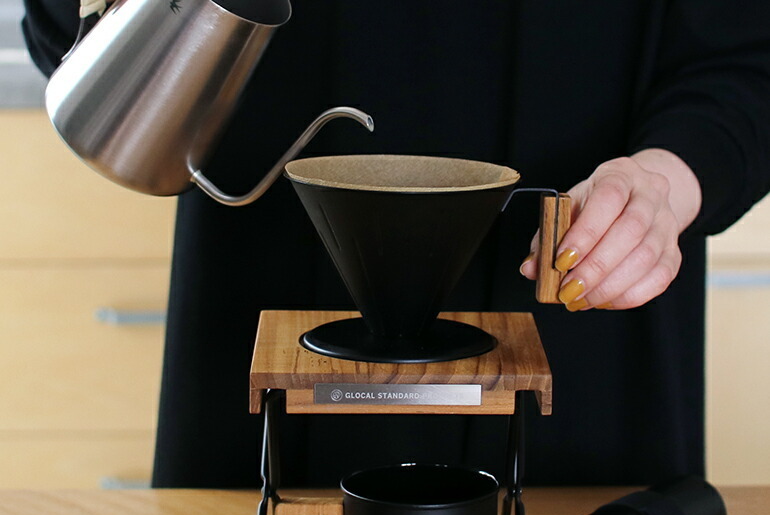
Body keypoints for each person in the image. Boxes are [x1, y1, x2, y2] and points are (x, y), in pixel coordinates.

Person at [22, 1, 770, 488]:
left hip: (582, 314)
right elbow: (71, 26)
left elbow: (745, 57)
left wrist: (665, 182)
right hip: (270, 305)